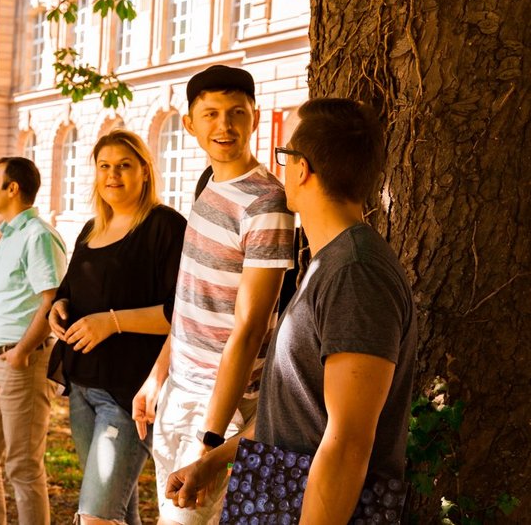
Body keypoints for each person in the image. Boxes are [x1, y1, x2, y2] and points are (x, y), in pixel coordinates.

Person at [166, 98, 417, 523]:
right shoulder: (329, 264)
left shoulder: (355, 274)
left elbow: (347, 443)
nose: (277, 168)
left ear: (301, 169)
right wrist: (213, 461)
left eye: (282, 155)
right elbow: (297, 411)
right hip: (274, 493)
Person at [132, 65, 294, 524]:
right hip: (179, 391)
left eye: (236, 112)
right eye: (211, 114)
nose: (224, 126)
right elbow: (193, 298)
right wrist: (157, 375)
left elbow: (248, 326)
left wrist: (211, 441)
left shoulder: (267, 204)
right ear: (190, 123)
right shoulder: (208, 183)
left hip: (218, 406)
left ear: (255, 117)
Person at [49, 130, 187, 525]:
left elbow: (180, 311)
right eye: (105, 166)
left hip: (130, 393)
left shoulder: (166, 226)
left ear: (144, 171)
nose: (113, 175)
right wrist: (58, 307)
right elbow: (70, 289)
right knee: (117, 512)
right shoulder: (91, 229)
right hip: (82, 387)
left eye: (124, 165)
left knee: (94, 517)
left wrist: (111, 323)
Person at [0, 156, 67, 525]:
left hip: (22, 362)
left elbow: (53, 301)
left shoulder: (38, 234)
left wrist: (22, 352)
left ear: (13, 188)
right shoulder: (8, 235)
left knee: (23, 466)